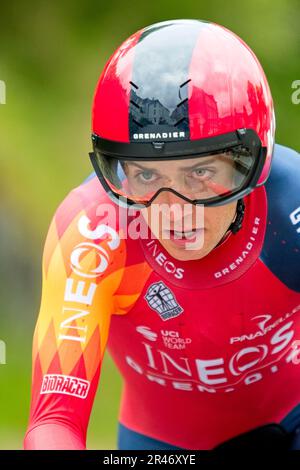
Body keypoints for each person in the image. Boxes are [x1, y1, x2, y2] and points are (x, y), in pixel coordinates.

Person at [24, 19, 300, 450]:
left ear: (250, 164)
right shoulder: (92, 232)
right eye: (147, 175)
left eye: (200, 173)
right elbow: (54, 423)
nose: (172, 209)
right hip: (165, 448)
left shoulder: (293, 203)